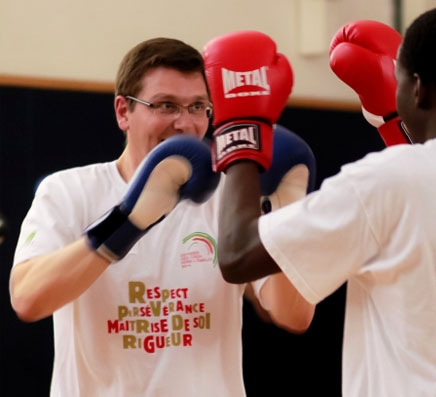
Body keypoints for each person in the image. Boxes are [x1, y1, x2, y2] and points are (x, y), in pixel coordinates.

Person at [214, 6, 436, 397]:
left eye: (399, 77)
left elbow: (238, 254)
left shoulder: (384, 181)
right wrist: (400, 125)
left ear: (418, 89)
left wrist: (241, 130)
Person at [9, 37, 314, 396]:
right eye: (166, 105)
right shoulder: (69, 190)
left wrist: (284, 214)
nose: (184, 123)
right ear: (123, 112)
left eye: (198, 106)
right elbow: (28, 299)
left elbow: (294, 315)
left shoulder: (230, 197)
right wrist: (126, 222)